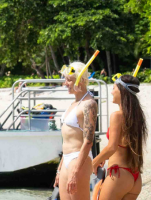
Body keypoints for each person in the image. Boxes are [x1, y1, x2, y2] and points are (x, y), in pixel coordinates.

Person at [91, 74, 147, 200]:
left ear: (122, 91)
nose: (111, 92)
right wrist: (103, 157)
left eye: (114, 88)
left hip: (118, 175)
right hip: (135, 177)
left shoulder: (117, 116)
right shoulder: (137, 118)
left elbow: (112, 147)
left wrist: (94, 162)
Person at [53, 62, 98, 200]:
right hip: (66, 159)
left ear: (81, 80)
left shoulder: (89, 104)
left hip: (78, 159)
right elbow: (67, 139)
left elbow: (88, 142)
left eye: (69, 80)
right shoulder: (74, 103)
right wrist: (59, 169)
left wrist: (75, 172)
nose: (65, 84)